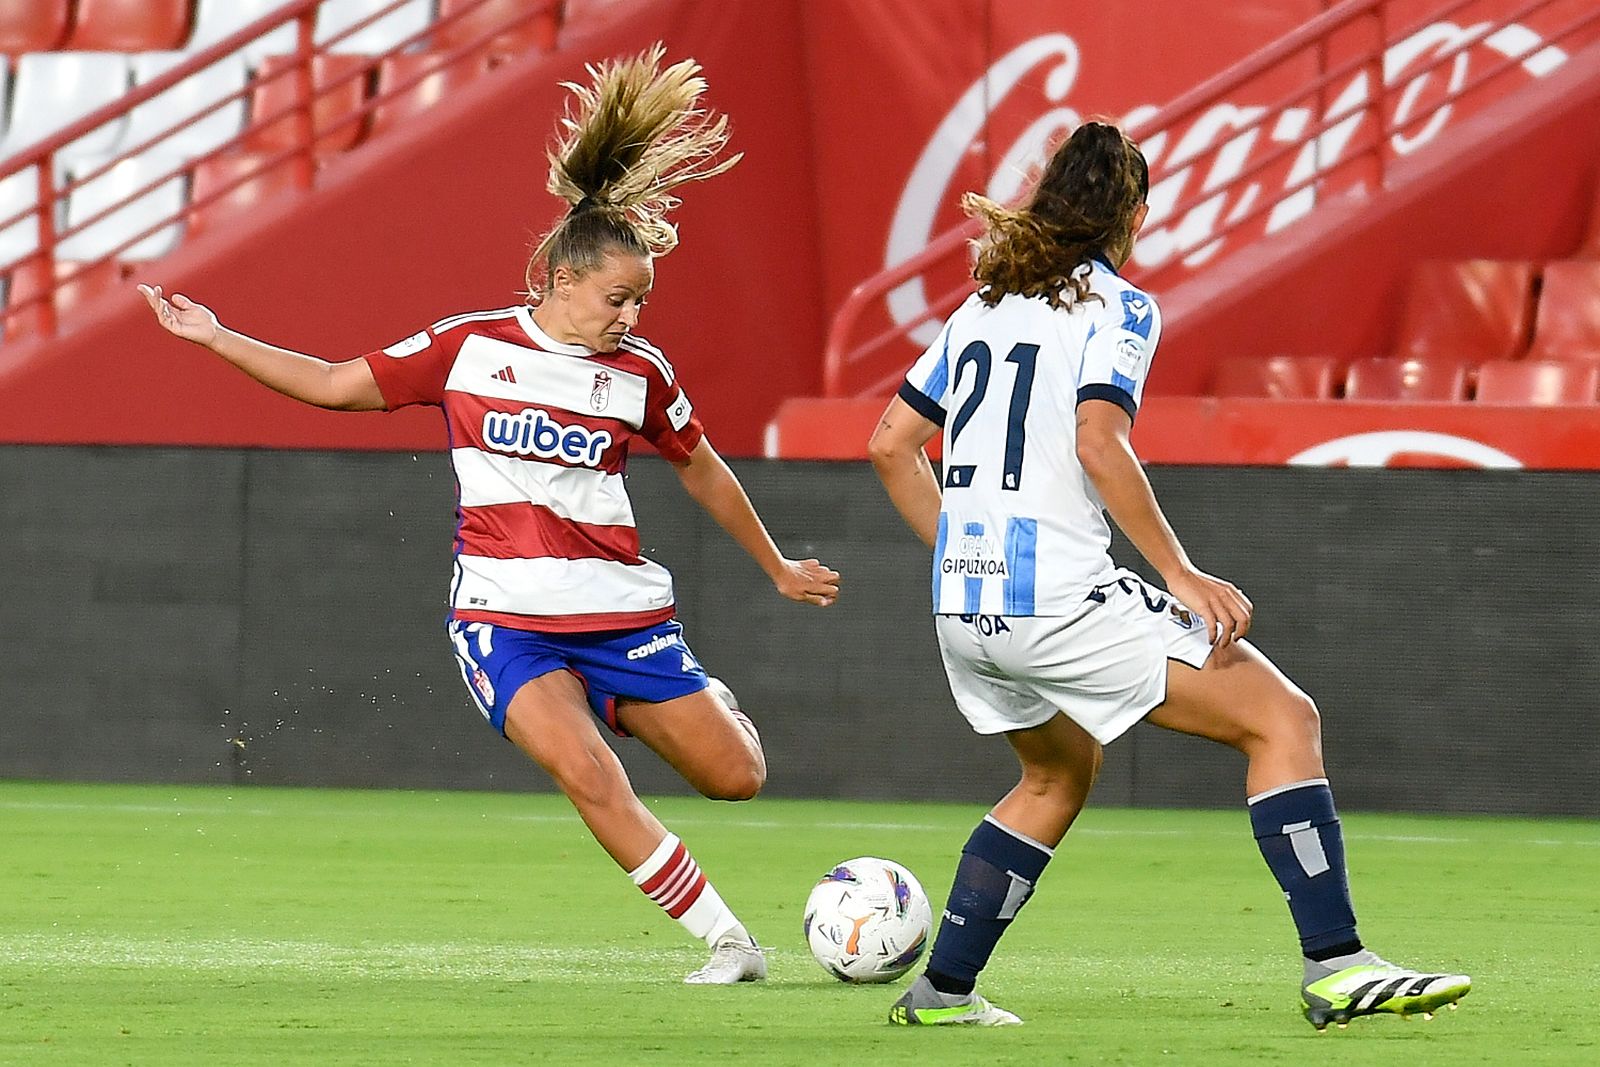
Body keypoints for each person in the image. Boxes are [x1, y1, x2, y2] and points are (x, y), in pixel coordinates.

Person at [140, 45, 840, 985]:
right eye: (616, 297)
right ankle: (728, 941)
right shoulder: (468, 348)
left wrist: (778, 566)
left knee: (737, 776)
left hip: (621, 613)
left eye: (641, 300)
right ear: (556, 278)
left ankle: (674, 699)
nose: (630, 315)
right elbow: (337, 385)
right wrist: (217, 336)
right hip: (504, 618)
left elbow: (704, 469)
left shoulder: (641, 375)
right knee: (589, 773)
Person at [866, 120, 1469, 1029]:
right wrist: (1181, 572)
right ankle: (1337, 962)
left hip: (966, 607)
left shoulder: (978, 310)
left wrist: (966, 555)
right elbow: (1098, 442)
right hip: (1060, 602)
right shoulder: (1119, 307)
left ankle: (941, 988)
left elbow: (889, 445)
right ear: (1135, 213)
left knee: (1054, 777)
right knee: (1283, 719)